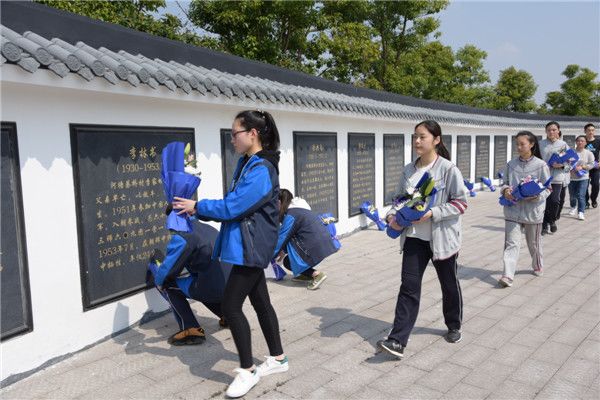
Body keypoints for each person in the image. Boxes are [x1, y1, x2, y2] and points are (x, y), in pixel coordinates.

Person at [173, 110, 287, 398]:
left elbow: (234, 207)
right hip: (250, 245)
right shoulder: (248, 163)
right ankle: (278, 358)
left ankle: (247, 370)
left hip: (253, 247)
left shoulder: (261, 170)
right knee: (261, 301)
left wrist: (197, 207)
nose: (232, 139)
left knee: (231, 305)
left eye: (235, 133)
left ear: (253, 134)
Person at [377, 120, 467, 359]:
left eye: (422, 137)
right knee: (408, 287)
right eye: (415, 136)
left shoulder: (448, 169)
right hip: (414, 238)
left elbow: (460, 202)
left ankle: (454, 324)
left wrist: (431, 214)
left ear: (436, 140)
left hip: (442, 239)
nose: (417, 141)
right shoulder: (409, 170)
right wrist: (392, 214)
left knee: (448, 284)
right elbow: (399, 198)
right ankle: (397, 340)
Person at [147, 208, 231, 345]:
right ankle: (228, 316)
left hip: (212, 287)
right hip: (232, 285)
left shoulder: (183, 236)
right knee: (200, 282)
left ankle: (191, 330)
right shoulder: (207, 228)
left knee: (170, 287)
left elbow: (167, 270)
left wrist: (159, 281)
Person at [498, 131, 551, 288]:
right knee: (511, 243)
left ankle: (537, 264)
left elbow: (548, 188)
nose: (519, 147)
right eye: (517, 144)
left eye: (522, 144)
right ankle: (508, 275)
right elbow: (504, 182)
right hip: (512, 210)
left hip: (532, 211)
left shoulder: (541, 165)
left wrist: (536, 197)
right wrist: (505, 190)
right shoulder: (511, 164)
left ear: (532, 144)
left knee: (533, 243)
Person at [273, 189, 337, 290]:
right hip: (324, 243)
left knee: (288, 261)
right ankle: (305, 275)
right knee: (290, 259)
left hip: (314, 246)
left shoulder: (291, 215)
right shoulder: (298, 209)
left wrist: (269, 256)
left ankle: (316, 275)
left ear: (279, 202)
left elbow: (283, 237)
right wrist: (282, 250)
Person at [539, 121, 570, 235]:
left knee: (554, 201)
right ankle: (544, 225)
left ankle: (552, 220)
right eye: (549, 130)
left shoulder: (563, 145)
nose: (551, 132)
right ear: (546, 131)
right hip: (543, 178)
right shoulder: (540, 144)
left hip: (557, 177)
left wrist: (562, 165)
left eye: (554, 130)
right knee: (544, 201)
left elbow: (570, 164)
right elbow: (534, 159)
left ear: (558, 130)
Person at [568, 135, 595, 220]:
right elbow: (566, 163)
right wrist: (571, 168)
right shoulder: (571, 152)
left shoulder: (589, 153)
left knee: (581, 195)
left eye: (582, 141)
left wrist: (582, 167)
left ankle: (581, 212)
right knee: (572, 195)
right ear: (576, 142)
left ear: (585, 143)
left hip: (583, 178)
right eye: (578, 141)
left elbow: (592, 164)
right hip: (572, 178)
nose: (580, 142)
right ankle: (573, 207)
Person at [584, 123, 600, 208]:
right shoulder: (582, 140)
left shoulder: (598, 141)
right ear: (585, 131)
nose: (591, 132)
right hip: (584, 167)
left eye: (592, 130)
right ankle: (586, 201)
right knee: (584, 185)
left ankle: (593, 199)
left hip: (595, 166)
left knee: (596, 184)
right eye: (589, 130)